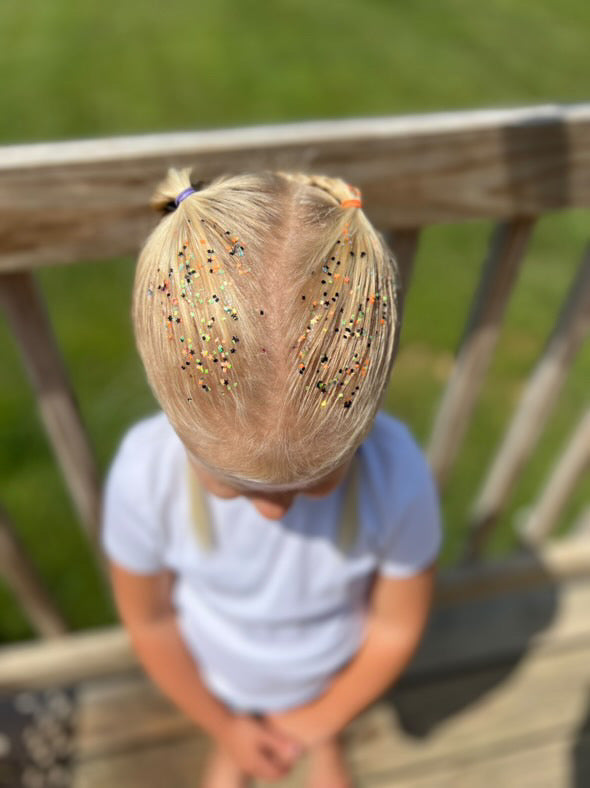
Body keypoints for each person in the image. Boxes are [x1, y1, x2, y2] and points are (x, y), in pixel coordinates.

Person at [101, 167, 443, 787]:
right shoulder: (144, 476)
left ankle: (326, 740)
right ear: (177, 429)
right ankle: (239, 739)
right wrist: (226, 726)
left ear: (363, 426)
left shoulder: (398, 477)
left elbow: (396, 625)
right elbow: (149, 621)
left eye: (312, 481)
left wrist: (319, 720)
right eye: (237, 485)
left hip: (333, 683)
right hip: (221, 689)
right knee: (236, 758)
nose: (275, 512)